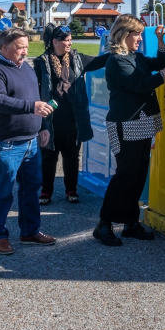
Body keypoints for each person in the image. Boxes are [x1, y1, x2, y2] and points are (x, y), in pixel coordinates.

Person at [94, 15, 165, 246]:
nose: (139, 38)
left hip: (143, 123)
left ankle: (131, 223)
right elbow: (140, 84)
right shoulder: (116, 61)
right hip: (125, 124)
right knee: (125, 175)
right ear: (124, 34)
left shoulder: (135, 57)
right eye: (137, 34)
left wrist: (161, 41)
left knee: (138, 174)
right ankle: (104, 224)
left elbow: (159, 63)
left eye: (141, 34)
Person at [0, 27, 57, 255]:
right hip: (8, 142)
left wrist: (42, 126)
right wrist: (31, 107)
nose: (25, 51)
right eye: (19, 47)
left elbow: (36, 98)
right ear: (4, 47)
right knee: (3, 191)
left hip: (32, 140)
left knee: (31, 189)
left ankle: (30, 231)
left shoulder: (27, 69)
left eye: (26, 47)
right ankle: (0, 236)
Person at [33, 24, 109, 205]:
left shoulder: (78, 59)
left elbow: (99, 61)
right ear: (54, 42)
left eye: (70, 39)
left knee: (71, 157)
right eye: (66, 40)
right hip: (50, 119)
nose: (69, 43)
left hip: (74, 118)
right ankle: (46, 191)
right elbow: (34, 88)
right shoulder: (41, 62)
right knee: (48, 157)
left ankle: (71, 189)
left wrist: (116, 52)